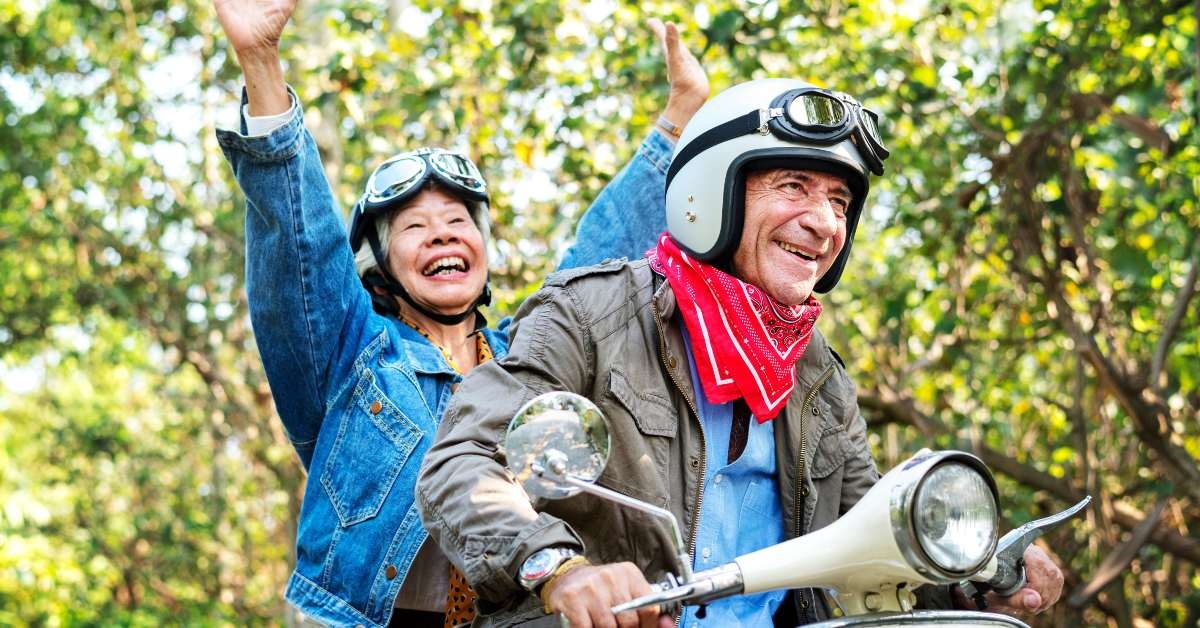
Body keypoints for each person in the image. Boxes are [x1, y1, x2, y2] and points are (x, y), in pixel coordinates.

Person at [416, 78, 1065, 627]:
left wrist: (975, 575)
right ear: (710, 193)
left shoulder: (818, 378)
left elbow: (878, 543)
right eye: (793, 187)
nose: (824, 221)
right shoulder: (593, 313)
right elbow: (462, 462)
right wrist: (555, 565)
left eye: (840, 201)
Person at [211, 0, 709, 625]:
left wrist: (677, 122)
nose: (442, 235)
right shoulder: (353, 354)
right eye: (415, 227)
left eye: (456, 222)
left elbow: (596, 261)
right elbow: (302, 243)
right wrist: (261, 64)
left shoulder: (521, 359)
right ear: (380, 265)